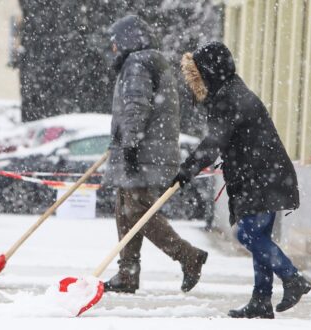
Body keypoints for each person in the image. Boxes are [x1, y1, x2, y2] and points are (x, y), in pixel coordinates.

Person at [174, 41, 311, 319]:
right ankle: (261, 300)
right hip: (264, 174)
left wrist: (186, 170)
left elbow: (213, 143)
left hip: (261, 176)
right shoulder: (231, 91)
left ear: (210, 72)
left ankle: (292, 277)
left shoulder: (229, 98)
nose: (196, 82)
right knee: (258, 236)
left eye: (198, 75)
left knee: (248, 234)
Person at [102, 15, 208, 294]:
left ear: (127, 40)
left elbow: (136, 107)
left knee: (138, 212)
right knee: (125, 211)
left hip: (144, 153)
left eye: (114, 43)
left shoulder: (137, 64)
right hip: (148, 151)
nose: (112, 49)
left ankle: (189, 256)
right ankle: (127, 274)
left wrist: (131, 146)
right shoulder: (149, 60)